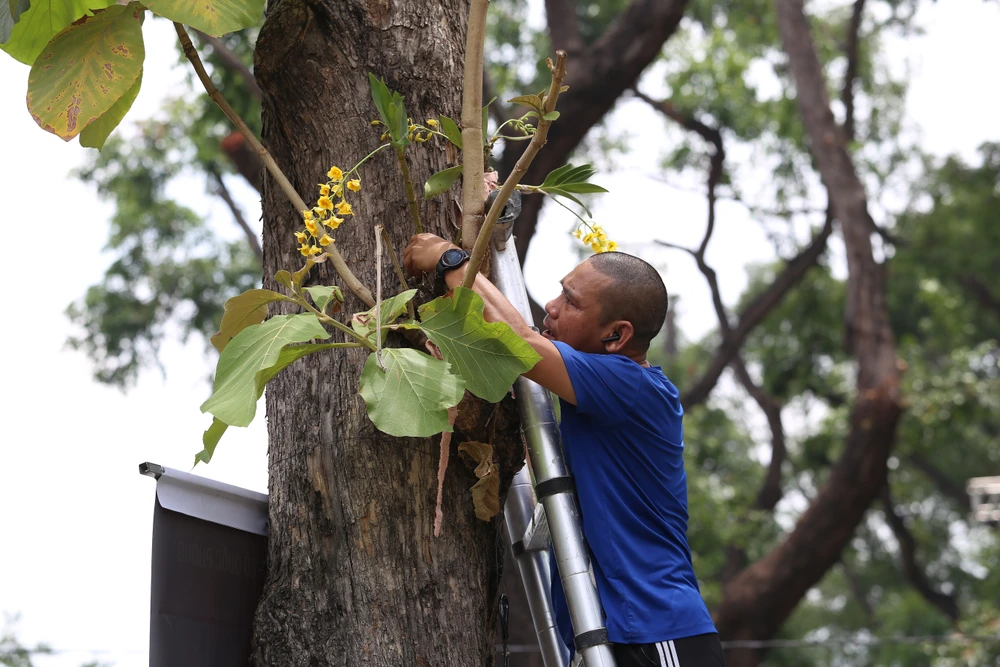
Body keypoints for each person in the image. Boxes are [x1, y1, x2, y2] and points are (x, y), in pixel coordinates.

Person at [404, 233, 725, 667]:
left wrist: (452, 260)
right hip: (615, 634)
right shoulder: (605, 385)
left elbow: (519, 343)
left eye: (571, 302)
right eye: (559, 291)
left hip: (657, 632)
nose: (552, 306)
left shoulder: (633, 386)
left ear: (616, 335)